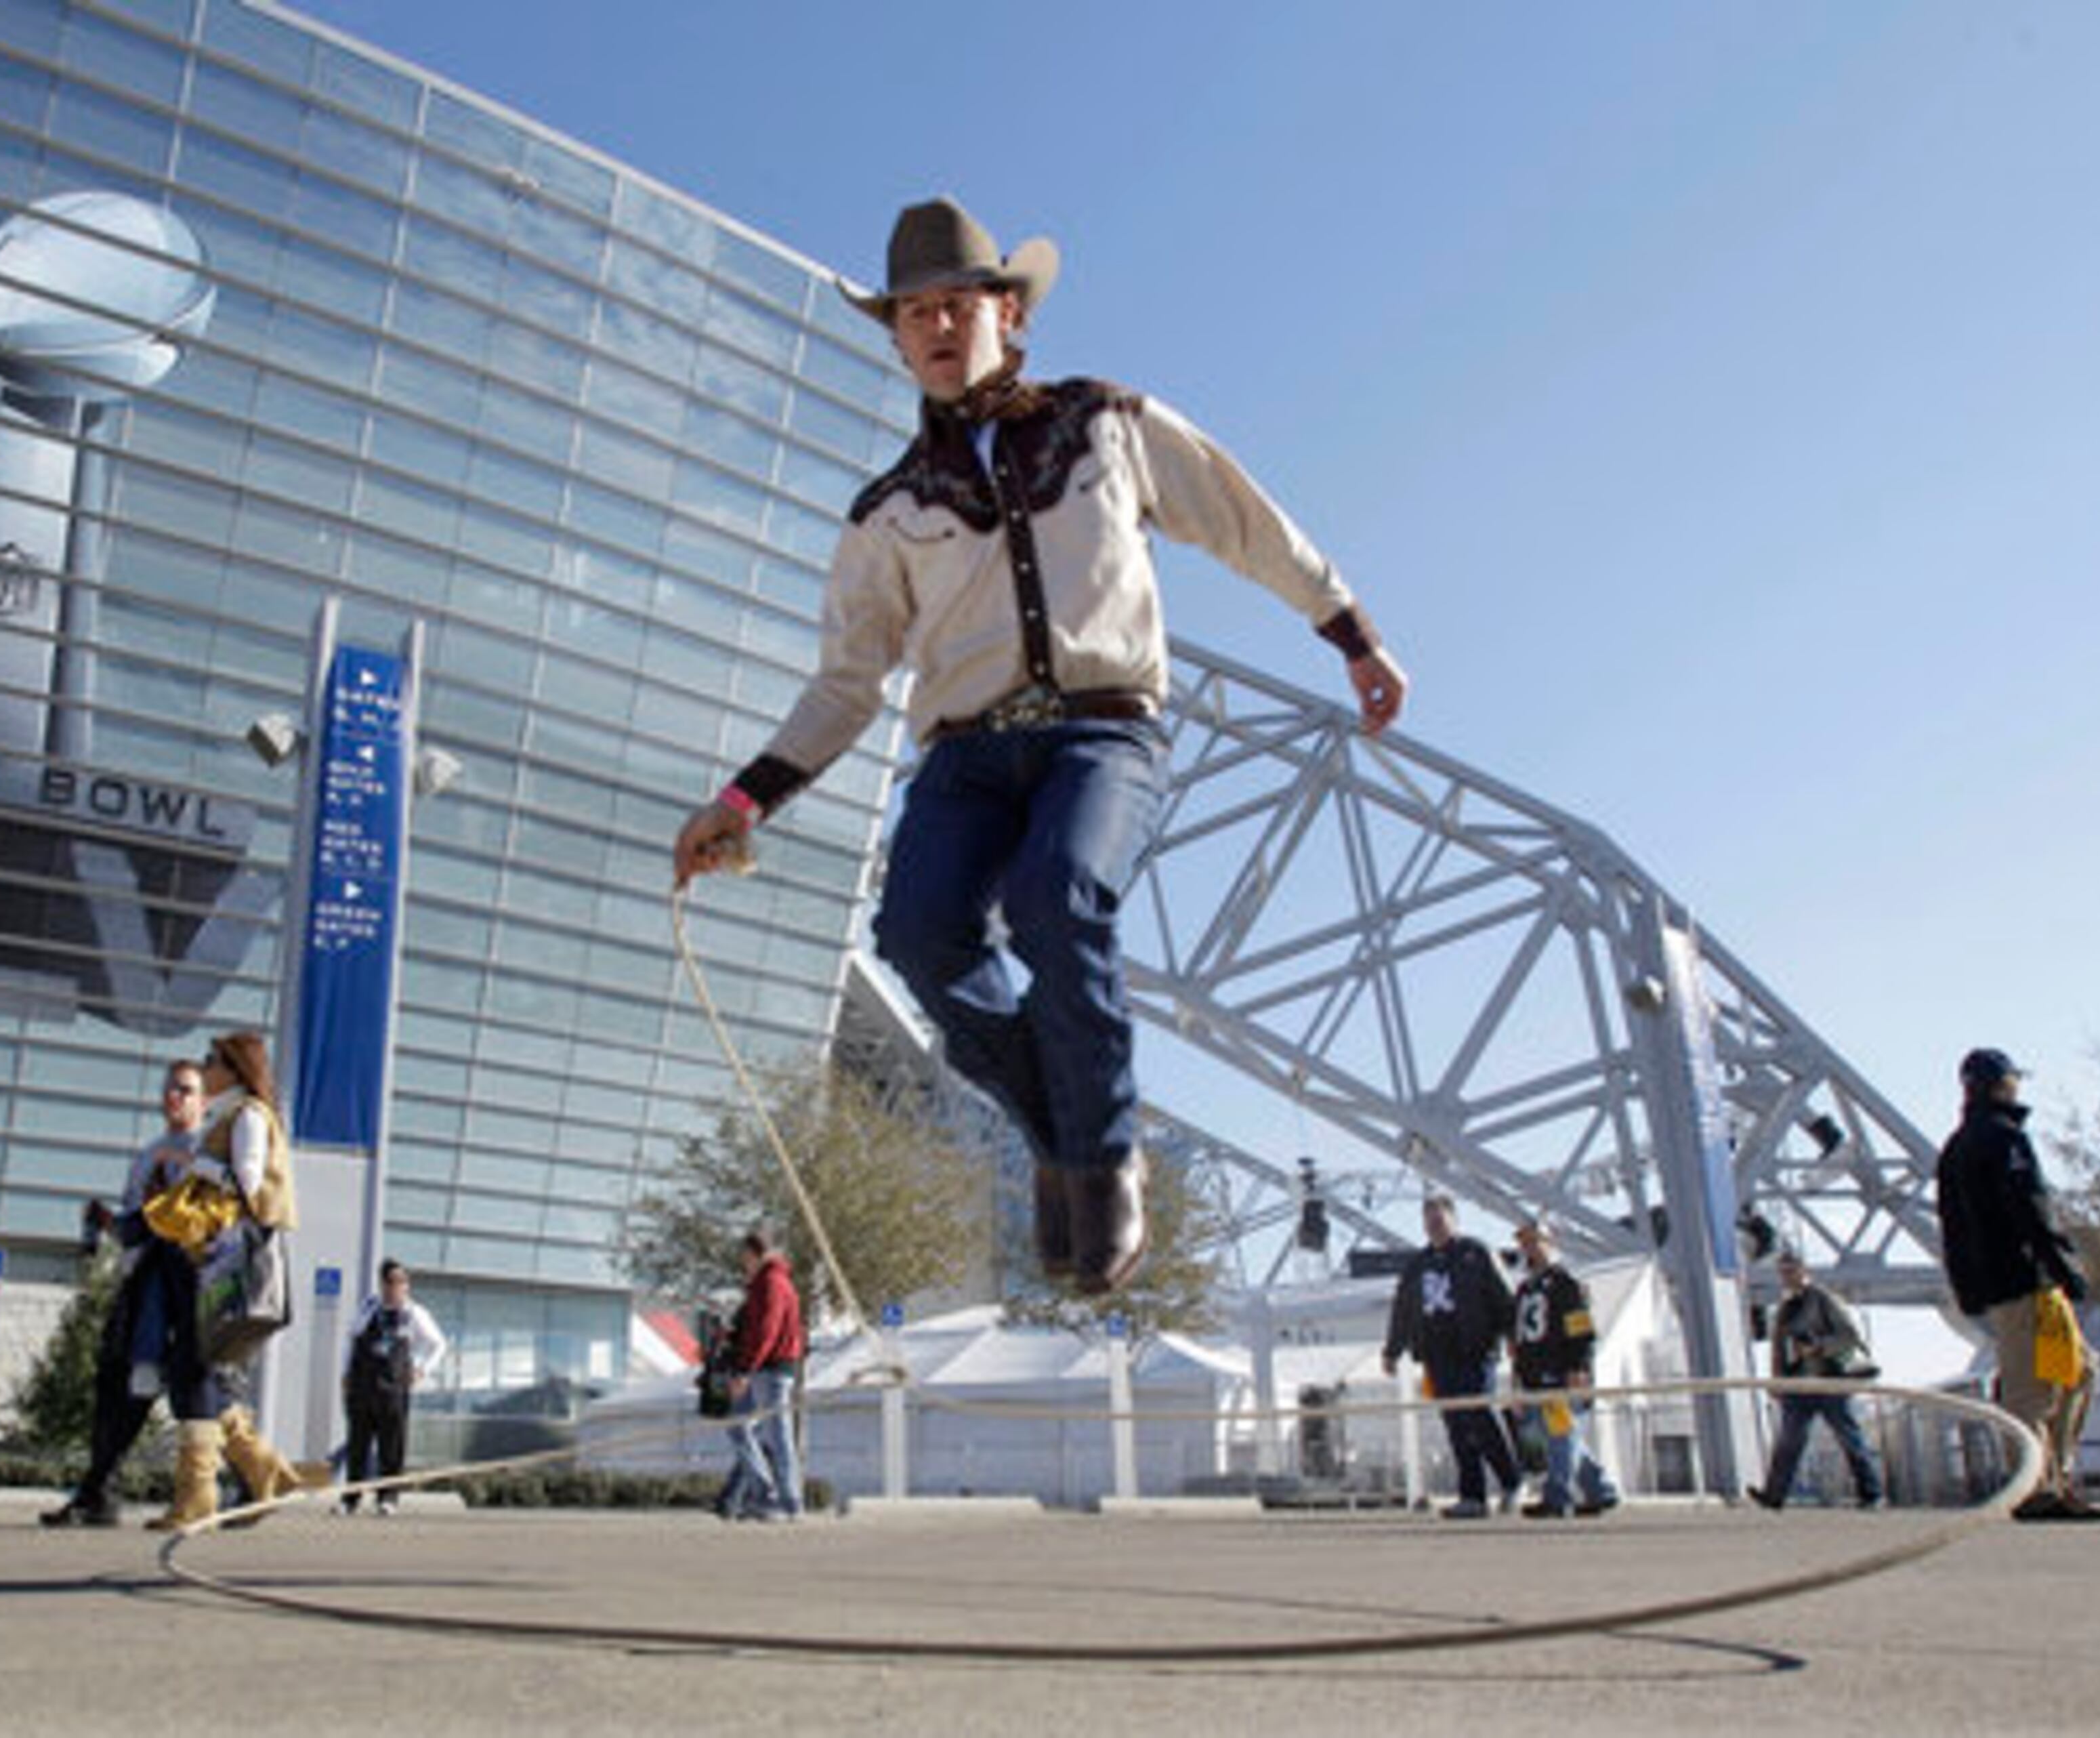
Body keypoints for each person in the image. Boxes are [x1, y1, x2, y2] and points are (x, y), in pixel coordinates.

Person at [672, 196, 1408, 1298]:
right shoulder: (884, 513)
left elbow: (1242, 521)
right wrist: (741, 801)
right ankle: (1063, 1139)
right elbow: (845, 685)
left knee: (1058, 894)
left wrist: (1349, 632)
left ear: (1007, 313)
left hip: (1100, 737)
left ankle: (1106, 1161)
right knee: (919, 935)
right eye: (911, 313)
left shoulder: (1106, 421)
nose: (932, 328)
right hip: (965, 760)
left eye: (953, 305)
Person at [142, 1031, 326, 1530]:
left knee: (195, 1366)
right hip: (206, 1254)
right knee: (194, 1367)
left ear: (234, 1067)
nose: (205, 1068)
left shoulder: (247, 1114)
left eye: (212, 1060)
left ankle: (202, 1492)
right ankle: (261, 1467)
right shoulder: (232, 1113)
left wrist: (194, 1163)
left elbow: (247, 1181)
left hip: (220, 1256)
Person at [1935, 1047, 2100, 1523]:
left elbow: (1952, 1226)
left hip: (2008, 1285)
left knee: (2078, 1370)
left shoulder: (1957, 1147)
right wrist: (2064, 1265)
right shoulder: (2004, 1138)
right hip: (2026, 1282)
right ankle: (2034, 1488)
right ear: (2000, 1084)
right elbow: (2030, 1207)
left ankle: (2054, 1476)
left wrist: (1966, 1287)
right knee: (2034, 1388)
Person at [43, 1060, 207, 1527]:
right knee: (118, 1385)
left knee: (201, 1396)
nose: (174, 1096)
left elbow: (192, 1221)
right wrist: (107, 1222)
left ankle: (246, 1481)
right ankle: (98, 1492)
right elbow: (138, 1228)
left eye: (186, 1089)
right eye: (169, 1088)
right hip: (143, 1282)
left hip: (184, 1288)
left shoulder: (204, 1154)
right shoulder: (149, 1153)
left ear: (203, 1100)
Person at [1381, 1193, 1519, 1518]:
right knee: (1456, 1425)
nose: (1434, 1227)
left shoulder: (1477, 1253)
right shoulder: (1418, 1265)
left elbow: (1503, 1298)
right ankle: (1472, 1496)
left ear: (1453, 1220)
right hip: (1437, 1356)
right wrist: (1393, 1350)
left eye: (1439, 1220)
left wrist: (1512, 1337)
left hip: (1475, 1350)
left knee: (1480, 1416)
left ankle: (1512, 1481)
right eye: (1429, 1222)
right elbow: (1403, 1309)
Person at [1745, 1249, 1885, 1512]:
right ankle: (1774, 1496)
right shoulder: (1786, 1308)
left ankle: (1872, 1493)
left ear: (1803, 1270)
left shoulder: (1823, 1299)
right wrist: (1777, 1380)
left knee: (1848, 1437)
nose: (1786, 1276)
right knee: (1789, 1440)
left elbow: (1849, 1336)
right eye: (1783, 1272)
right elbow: (1780, 1349)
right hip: (1798, 1385)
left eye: (1790, 1271)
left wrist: (1817, 1347)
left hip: (1828, 1381)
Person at [1508, 1218, 1620, 1519]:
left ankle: (1557, 1496)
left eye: (1536, 1241)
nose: (1531, 1248)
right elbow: (1518, 1337)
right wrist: (1517, 1377)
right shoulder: (1524, 1289)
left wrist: (1578, 1365)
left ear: (1551, 1242)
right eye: (1526, 1243)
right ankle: (1600, 1488)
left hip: (1559, 1371)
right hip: (1533, 1372)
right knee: (1558, 1433)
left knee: (1560, 1434)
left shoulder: (1565, 1284)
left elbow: (1580, 1328)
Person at [338, 1258, 447, 1516]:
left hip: (394, 1389)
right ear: (382, 1284)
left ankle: (388, 1498)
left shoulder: (415, 1314)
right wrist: (345, 1374)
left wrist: (422, 1369)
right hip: (363, 1387)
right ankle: (351, 1499)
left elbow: (438, 1345)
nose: (396, 1287)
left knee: (392, 1446)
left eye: (402, 1282)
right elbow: (351, 1339)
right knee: (358, 1445)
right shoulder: (369, 1308)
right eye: (391, 1282)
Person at [718, 1228, 807, 1522]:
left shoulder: (772, 1283)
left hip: (771, 1369)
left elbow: (766, 1332)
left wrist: (745, 1370)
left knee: (777, 1434)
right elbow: (756, 1329)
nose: (742, 1262)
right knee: (738, 1425)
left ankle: (788, 1501)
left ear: (755, 1254)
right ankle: (763, 1493)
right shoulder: (761, 1284)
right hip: (762, 1368)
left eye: (744, 1256)